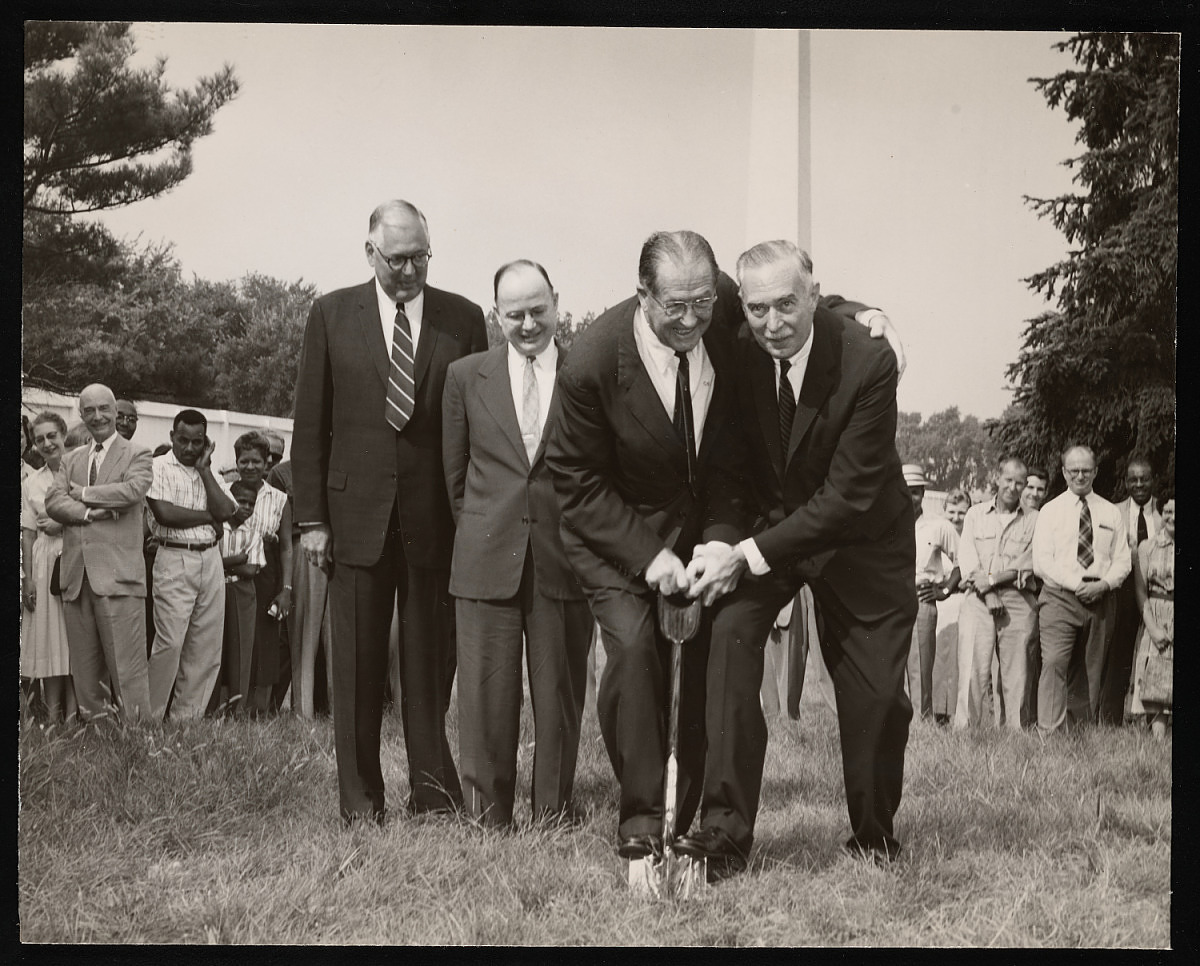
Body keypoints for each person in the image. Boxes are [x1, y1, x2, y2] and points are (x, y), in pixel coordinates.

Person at [678, 239, 915, 872]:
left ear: (815, 296)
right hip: (774, 532)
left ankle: (872, 837)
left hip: (861, 540)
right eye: (758, 310)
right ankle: (723, 838)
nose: (773, 324)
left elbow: (843, 501)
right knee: (728, 635)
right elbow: (728, 470)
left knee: (877, 699)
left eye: (788, 304)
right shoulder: (737, 341)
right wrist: (723, 541)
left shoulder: (869, 361)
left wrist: (746, 552)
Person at [545, 230, 751, 862]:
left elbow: (796, 303)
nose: (692, 320)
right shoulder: (589, 361)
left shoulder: (723, 308)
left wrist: (715, 543)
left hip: (702, 532)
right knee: (636, 652)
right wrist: (651, 557)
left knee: (705, 667)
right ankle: (638, 819)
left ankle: (683, 817)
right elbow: (576, 486)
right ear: (643, 295)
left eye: (703, 304)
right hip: (613, 535)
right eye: (675, 307)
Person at [292, 198, 487, 823]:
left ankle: (433, 796)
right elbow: (309, 424)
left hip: (435, 522)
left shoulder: (464, 318)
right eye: (398, 258)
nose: (409, 270)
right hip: (352, 522)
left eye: (420, 257)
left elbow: (475, 427)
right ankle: (360, 801)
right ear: (370, 252)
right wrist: (313, 520)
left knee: (430, 664)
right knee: (354, 666)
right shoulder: (330, 314)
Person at [443, 259, 593, 827]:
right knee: (483, 699)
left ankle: (553, 811)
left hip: (564, 559)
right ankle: (487, 815)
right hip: (486, 557)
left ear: (557, 301)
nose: (528, 324)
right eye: (514, 315)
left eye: (538, 310)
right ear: (496, 314)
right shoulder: (465, 377)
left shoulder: (587, 374)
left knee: (558, 696)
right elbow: (454, 477)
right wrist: (486, 532)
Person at [45, 384, 154, 721]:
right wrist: (91, 512)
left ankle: (136, 737)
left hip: (119, 579)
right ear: (81, 415)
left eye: (103, 409)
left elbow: (133, 490)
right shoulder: (71, 458)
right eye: (89, 410)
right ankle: (96, 735)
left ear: (115, 412)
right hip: (77, 578)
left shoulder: (138, 454)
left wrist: (83, 493)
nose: (97, 417)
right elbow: (53, 502)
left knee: (127, 669)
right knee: (86, 668)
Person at [145, 409, 240, 720]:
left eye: (196, 442)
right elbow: (165, 514)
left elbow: (227, 510)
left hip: (211, 558)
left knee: (205, 644)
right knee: (170, 643)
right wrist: (209, 517)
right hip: (174, 556)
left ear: (206, 442)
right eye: (182, 440)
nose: (188, 448)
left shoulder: (208, 471)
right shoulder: (156, 466)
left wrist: (204, 471)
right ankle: (149, 719)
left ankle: (186, 720)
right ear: (172, 436)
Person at [1031, 444, 1130, 732]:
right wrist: (1077, 585)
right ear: (1063, 472)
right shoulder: (1050, 511)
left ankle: (1077, 734)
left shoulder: (1110, 512)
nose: (1080, 476)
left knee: (1090, 671)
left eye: (1086, 470)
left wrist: (1104, 584)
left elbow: (1122, 560)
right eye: (1074, 470)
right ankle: (1049, 734)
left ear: (1096, 471)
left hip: (1100, 599)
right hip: (1060, 597)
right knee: (1054, 663)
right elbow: (1042, 563)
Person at [955, 458, 1039, 729]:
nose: (1013, 488)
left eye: (1020, 483)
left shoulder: (1035, 519)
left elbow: (1028, 563)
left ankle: (1015, 732)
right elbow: (968, 560)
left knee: (1017, 671)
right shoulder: (975, 515)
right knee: (973, 666)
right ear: (996, 478)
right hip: (978, 598)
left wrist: (991, 580)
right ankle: (969, 730)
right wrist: (988, 592)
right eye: (1008, 480)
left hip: (1017, 598)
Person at [21, 411, 77, 723]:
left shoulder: (79, 471)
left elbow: (87, 513)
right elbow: (28, 533)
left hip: (73, 553)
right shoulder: (32, 481)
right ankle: (54, 715)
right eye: (40, 438)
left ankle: (73, 714)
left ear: (63, 433)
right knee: (49, 635)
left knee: (72, 637)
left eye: (52, 436)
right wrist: (28, 578)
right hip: (44, 561)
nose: (46, 443)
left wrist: (61, 522)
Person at [230, 432, 291, 714]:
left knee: (266, 641)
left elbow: (287, 547)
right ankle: (231, 705)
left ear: (267, 462)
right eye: (244, 461)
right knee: (232, 639)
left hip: (267, 572)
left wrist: (286, 589)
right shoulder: (226, 492)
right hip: (231, 569)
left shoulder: (278, 498)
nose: (250, 467)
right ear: (237, 462)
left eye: (256, 461)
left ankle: (259, 709)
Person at [1098, 458, 1162, 725]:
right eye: (1133, 479)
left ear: (1153, 480)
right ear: (1126, 482)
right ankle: (1111, 718)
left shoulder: (1165, 511)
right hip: (1123, 593)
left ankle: (1155, 718)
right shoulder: (1113, 512)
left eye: (1144, 479)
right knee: (1119, 654)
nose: (1139, 484)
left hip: (1156, 594)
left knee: (1156, 653)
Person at [902, 465, 959, 721]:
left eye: (915, 492)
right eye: (903, 491)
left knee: (920, 667)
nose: (909, 497)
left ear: (923, 493)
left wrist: (944, 589)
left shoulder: (939, 526)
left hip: (920, 599)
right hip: (888, 602)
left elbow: (963, 561)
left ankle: (920, 724)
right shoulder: (882, 523)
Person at [212, 480, 267, 713]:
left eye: (251, 503)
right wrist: (236, 560)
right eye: (241, 501)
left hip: (243, 593)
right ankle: (211, 705)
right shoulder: (215, 528)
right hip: (215, 588)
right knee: (212, 645)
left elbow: (252, 570)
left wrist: (223, 564)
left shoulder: (253, 533)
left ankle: (237, 706)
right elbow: (211, 561)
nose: (246, 507)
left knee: (241, 647)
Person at [1128, 490, 1173, 739]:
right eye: (1168, 511)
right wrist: (1153, 628)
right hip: (1154, 613)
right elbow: (1140, 592)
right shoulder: (1148, 546)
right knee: (1155, 675)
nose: (1173, 516)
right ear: (1161, 514)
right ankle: (1157, 742)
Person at [931, 488, 971, 725]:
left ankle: (959, 714)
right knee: (939, 658)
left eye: (962, 513)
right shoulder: (938, 539)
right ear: (944, 513)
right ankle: (937, 712)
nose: (957, 518)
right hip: (941, 605)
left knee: (961, 658)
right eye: (952, 513)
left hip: (964, 602)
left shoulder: (970, 538)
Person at [1018, 465, 1050, 727]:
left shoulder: (1044, 518)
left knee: (1028, 660)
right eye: (1030, 487)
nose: (1034, 493)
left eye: (1040, 489)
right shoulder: (1011, 515)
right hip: (1000, 592)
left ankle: (1027, 718)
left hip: (1030, 594)